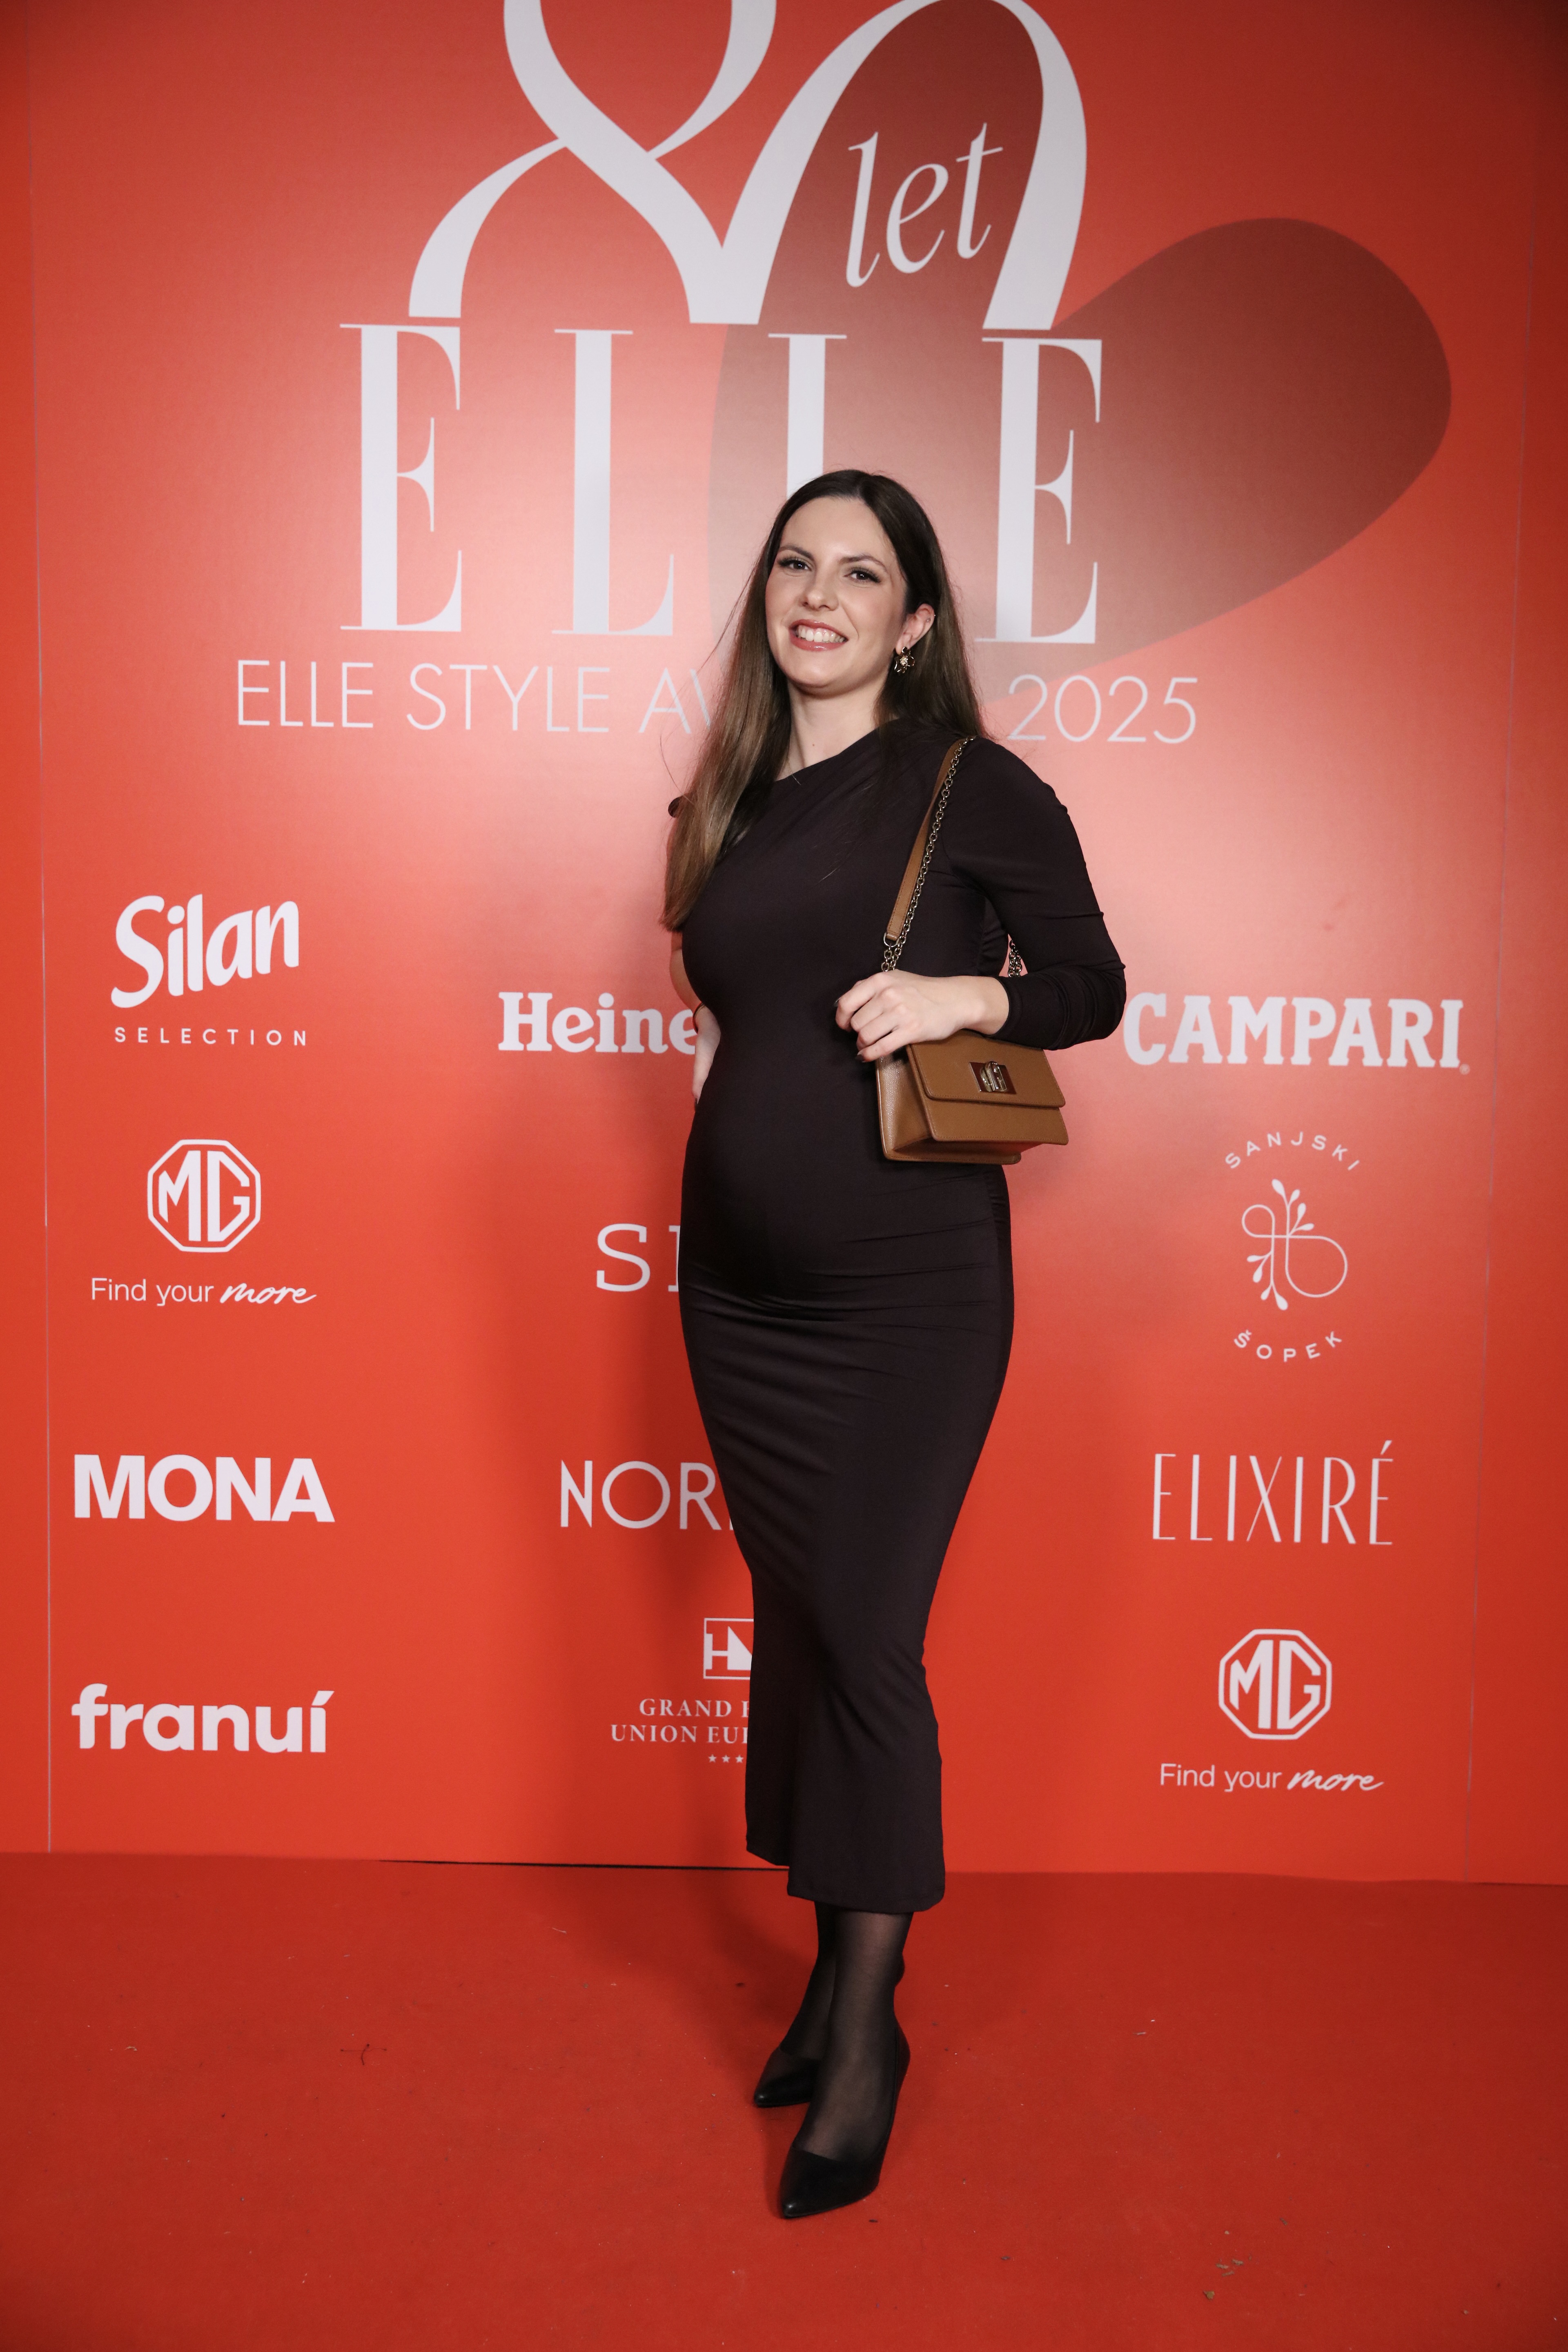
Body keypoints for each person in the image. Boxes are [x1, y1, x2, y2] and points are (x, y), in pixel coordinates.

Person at [665, 470, 1124, 2219]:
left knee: (863, 1637)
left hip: (906, 1291)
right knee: (802, 1625)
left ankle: (866, 2031)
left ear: (914, 621)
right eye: (798, 564)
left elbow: (1093, 982)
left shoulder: (964, 782)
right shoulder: (732, 797)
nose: (821, 595)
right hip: (737, 1291)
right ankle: (824, 1976)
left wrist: (962, 993)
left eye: (863, 574)